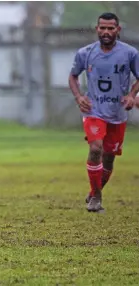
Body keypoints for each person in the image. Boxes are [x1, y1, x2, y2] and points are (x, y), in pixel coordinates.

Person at [68, 12, 139, 213]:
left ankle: (93, 192)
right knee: (96, 149)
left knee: (108, 158)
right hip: (94, 111)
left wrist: (132, 94)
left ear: (118, 30)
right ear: (97, 29)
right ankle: (97, 198)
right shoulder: (85, 53)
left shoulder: (130, 53)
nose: (106, 32)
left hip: (117, 114)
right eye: (102, 28)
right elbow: (73, 77)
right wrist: (79, 97)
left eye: (110, 28)